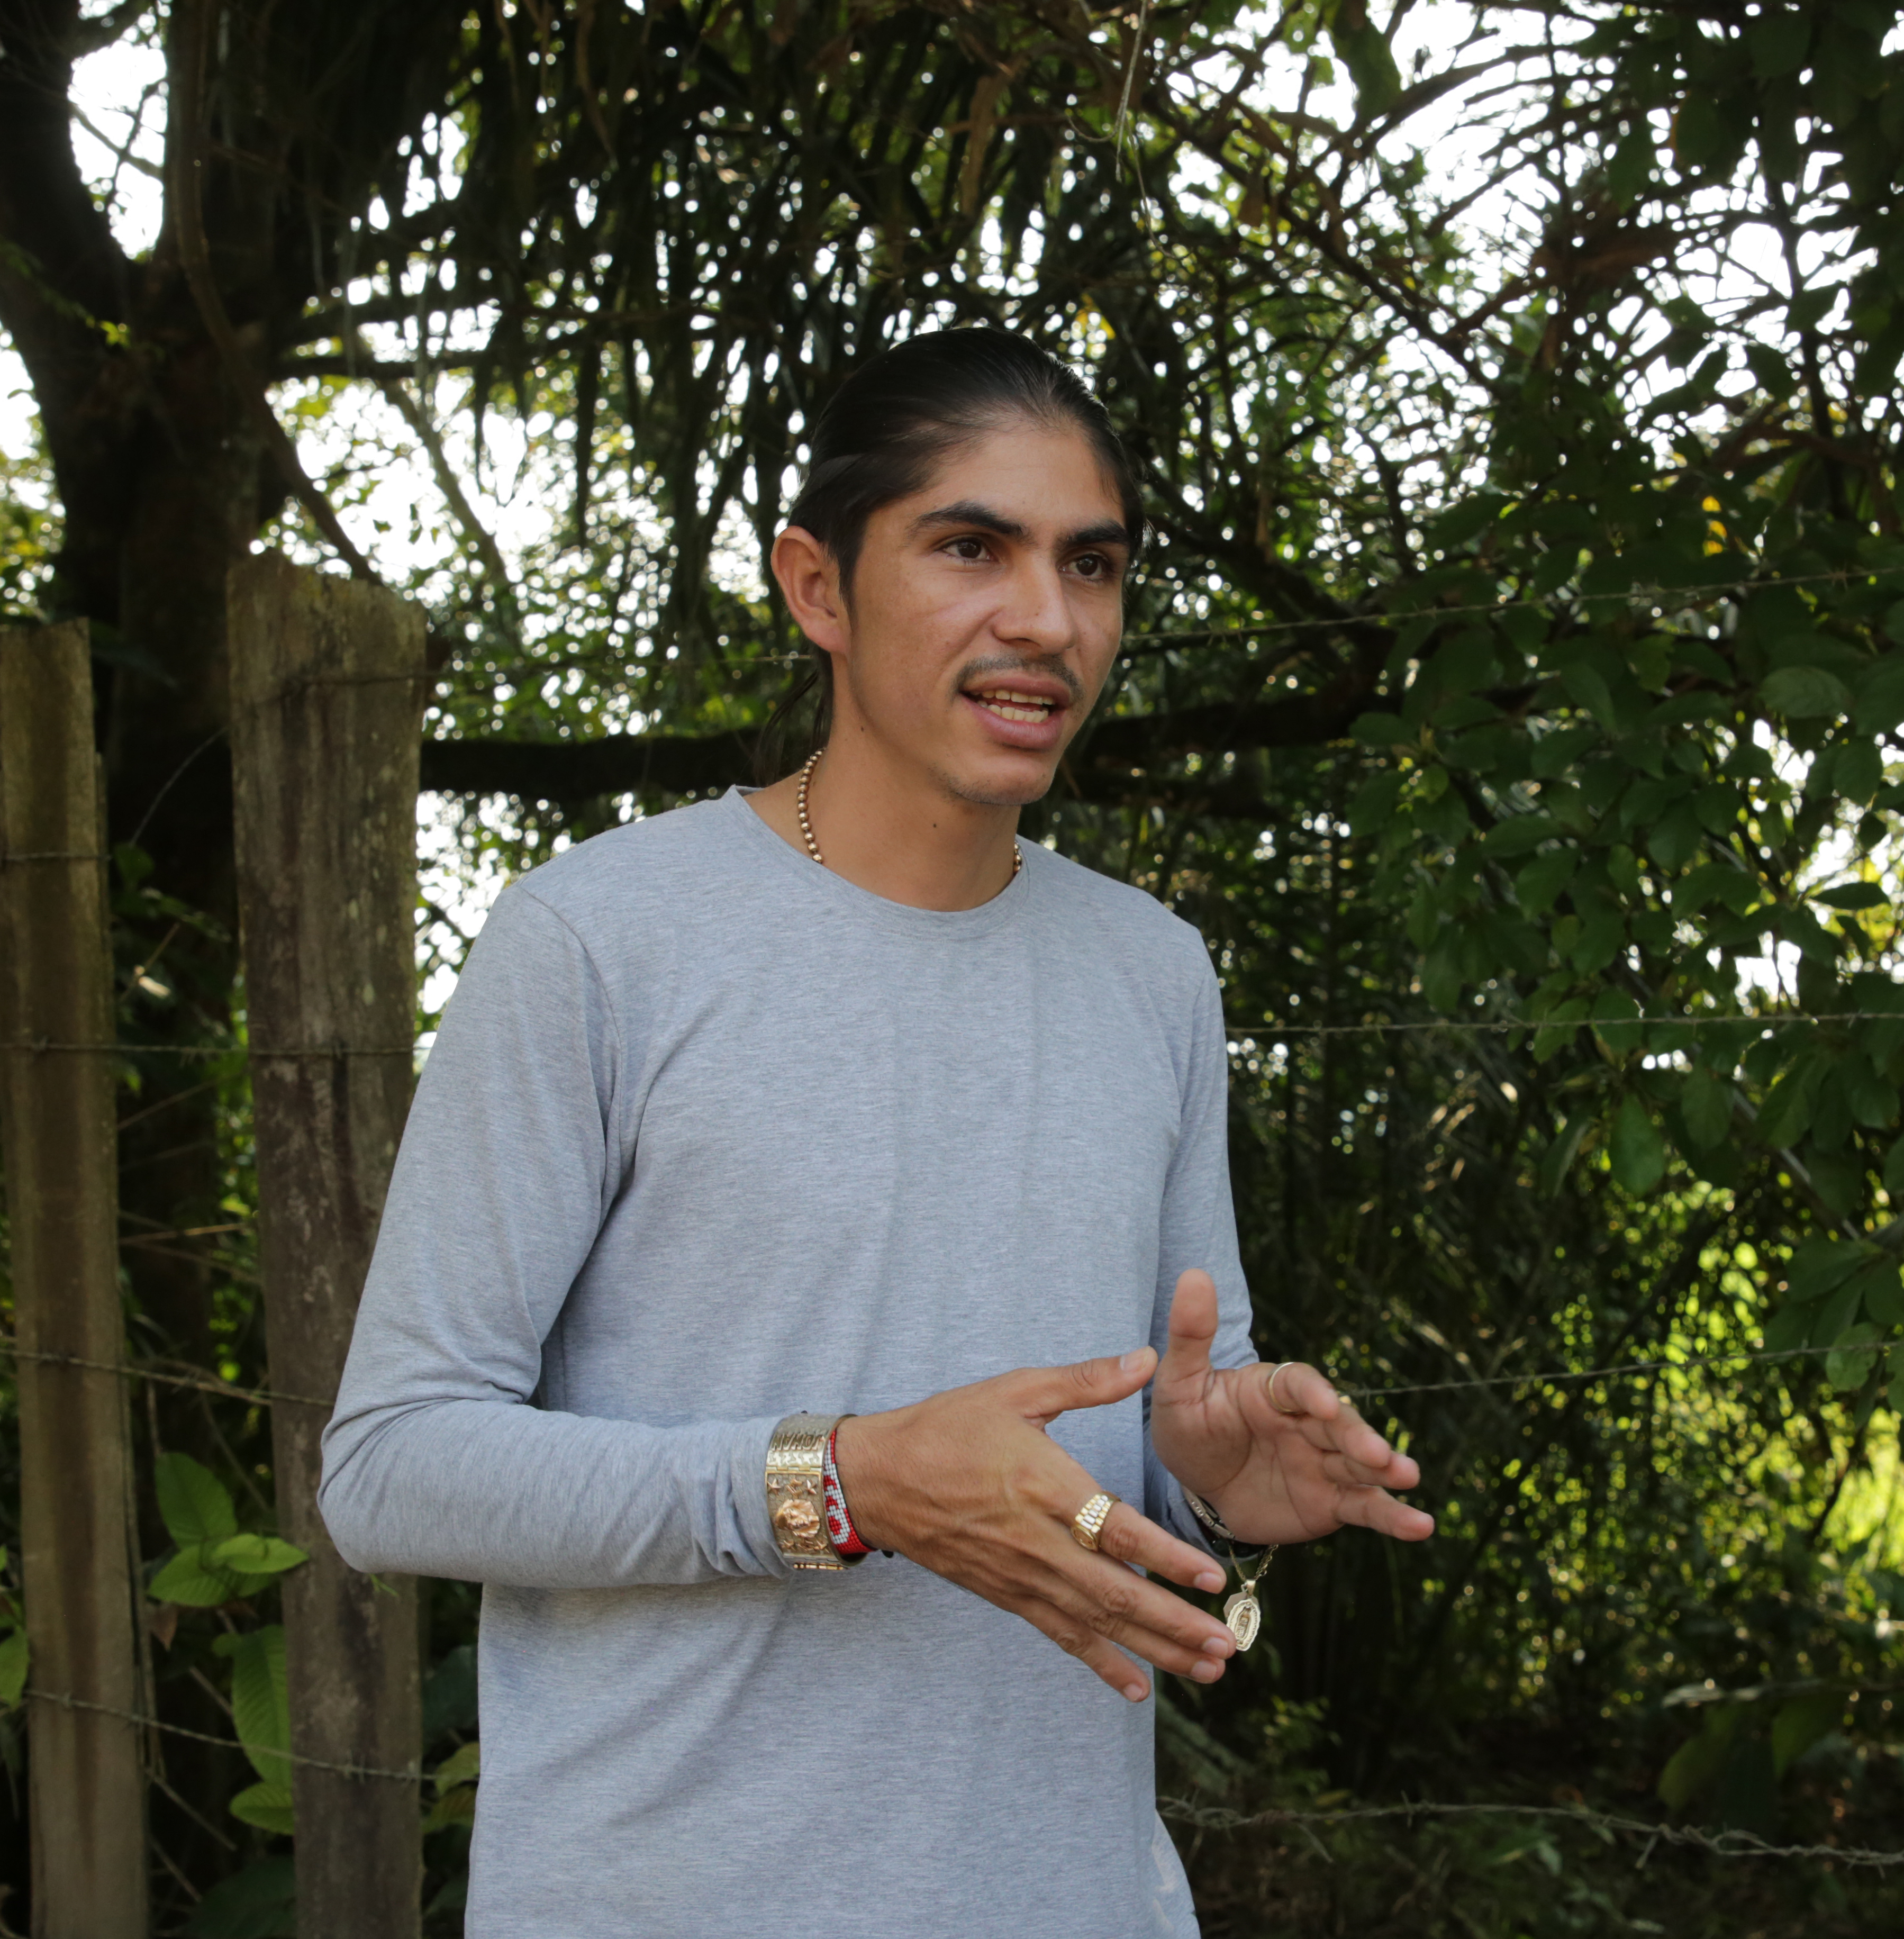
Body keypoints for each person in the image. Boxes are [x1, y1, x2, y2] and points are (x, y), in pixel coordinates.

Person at [318, 326, 1433, 1937]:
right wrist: (840, 1487)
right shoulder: (599, 942)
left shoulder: (1153, 974)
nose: (1046, 619)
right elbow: (393, 1467)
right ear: (818, 588)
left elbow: (1155, 1414)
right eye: (971, 547)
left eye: (1092, 564)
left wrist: (1204, 1478)